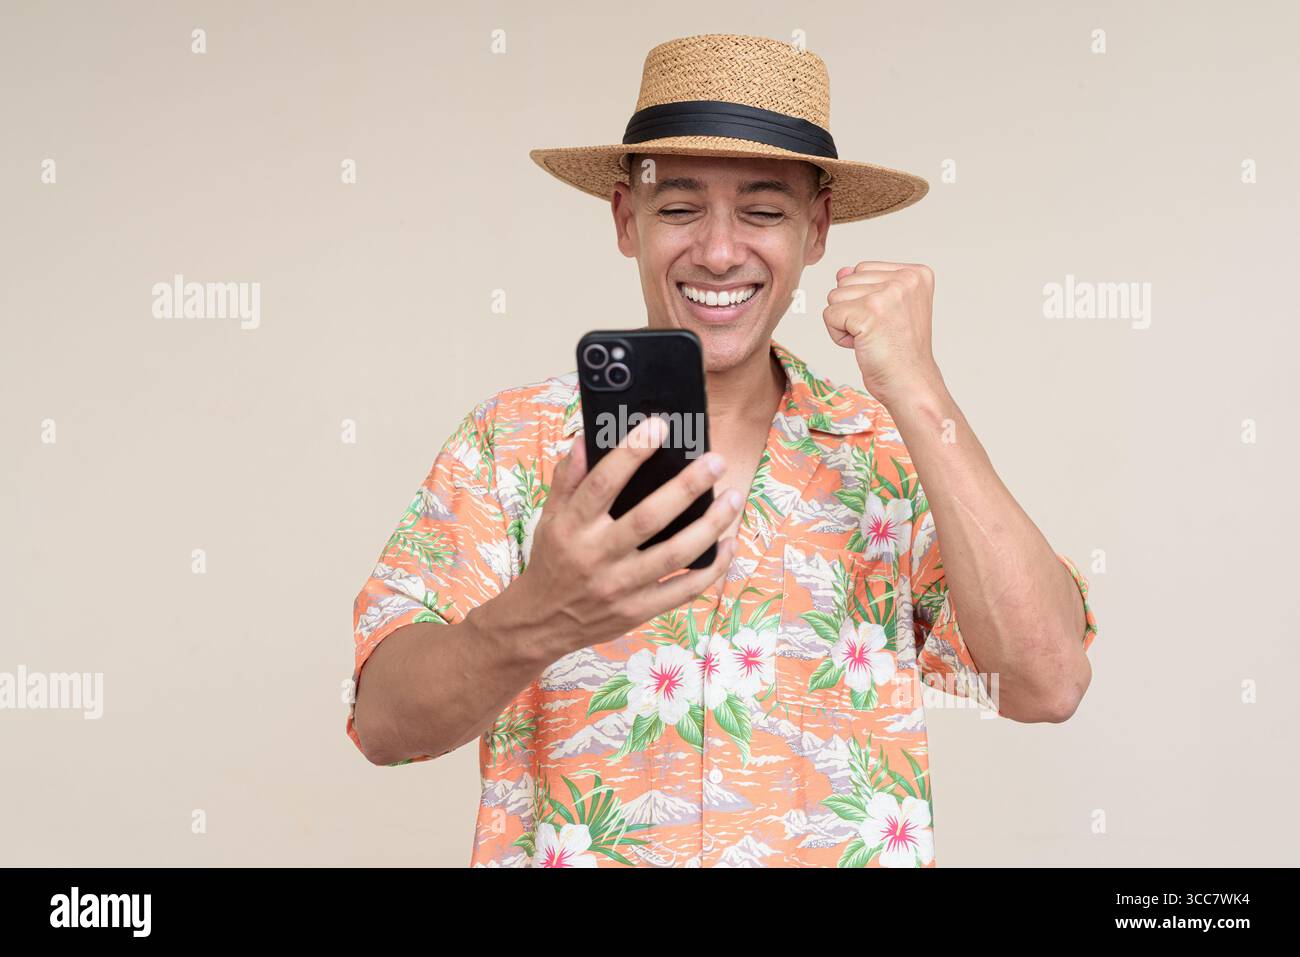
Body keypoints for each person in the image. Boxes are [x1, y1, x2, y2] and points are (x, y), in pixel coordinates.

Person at [346, 33, 1099, 868]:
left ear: (816, 231)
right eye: (677, 208)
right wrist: (540, 613)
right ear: (627, 221)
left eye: (764, 210)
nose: (717, 250)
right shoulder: (511, 442)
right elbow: (383, 725)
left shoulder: (889, 451)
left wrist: (919, 390)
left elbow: (1047, 680)